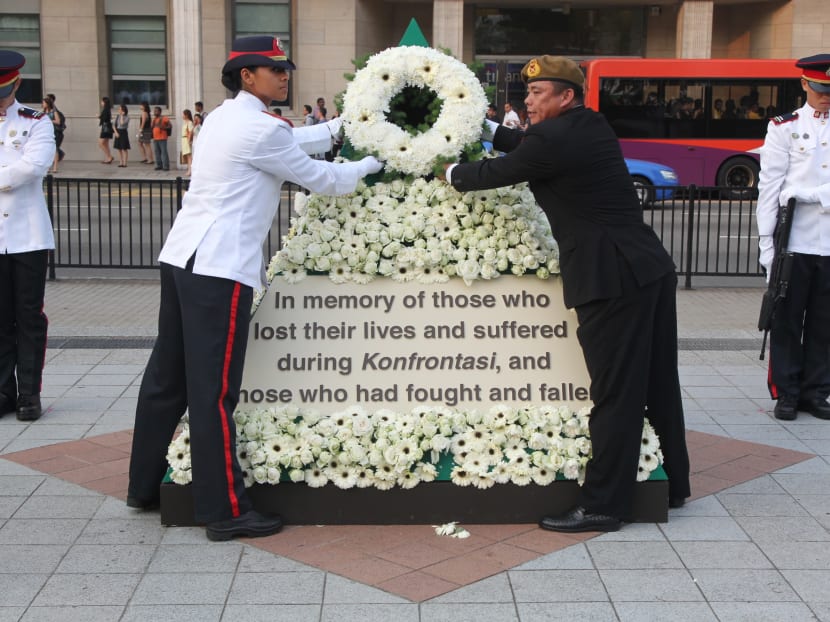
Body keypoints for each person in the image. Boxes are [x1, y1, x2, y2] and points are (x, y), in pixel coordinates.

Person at [126, 35, 383, 541]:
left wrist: (345, 126)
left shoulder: (225, 117)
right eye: (273, 69)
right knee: (214, 392)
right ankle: (224, 512)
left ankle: (142, 487)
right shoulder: (262, 131)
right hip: (219, 269)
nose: (284, 76)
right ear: (247, 75)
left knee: (167, 378)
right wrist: (371, 165)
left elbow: (290, 142)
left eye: (286, 68)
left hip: (183, 259)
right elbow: (320, 178)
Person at [445, 55, 690, 532]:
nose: (528, 101)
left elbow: (497, 172)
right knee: (658, 380)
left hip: (612, 276)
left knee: (615, 393)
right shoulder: (587, 126)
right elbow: (529, 145)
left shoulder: (555, 137)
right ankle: (673, 484)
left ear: (566, 97)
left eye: (539, 94)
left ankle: (605, 505)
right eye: (528, 93)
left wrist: (450, 170)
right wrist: (490, 131)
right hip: (645, 267)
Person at [756, 54, 830, 422]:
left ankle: (816, 392)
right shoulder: (784, 127)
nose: (826, 96)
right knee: (786, 320)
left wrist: (815, 195)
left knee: (823, 322)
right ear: (804, 84)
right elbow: (769, 190)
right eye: (820, 89)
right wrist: (766, 249)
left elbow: (801, 191)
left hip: (829, 243)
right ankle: (786, 392)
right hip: (794, 241)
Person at [0, 50, 56, 422]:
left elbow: (33, 167)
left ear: (16, 84)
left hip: (28, 236)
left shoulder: (36, 121)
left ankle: (28, 394)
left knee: (28, 317)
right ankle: (4, 391)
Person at [151, 106, 171, 171]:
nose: (155, 112)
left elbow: (170, 126)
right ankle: (159, 165)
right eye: (154, 111)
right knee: (157, 152)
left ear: (160, 112)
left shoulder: (164, 118)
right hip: (155, 138)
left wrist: (163, 128)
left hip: (162, 137)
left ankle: (166, 166)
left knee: (163, 152)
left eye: (156, 111)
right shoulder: (154, 119)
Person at [113, 103, 130, 167]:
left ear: (123, 110)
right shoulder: (117, 116)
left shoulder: (127, 117)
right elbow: (114, 125)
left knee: (124, 148)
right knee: (119, 148)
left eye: (120, 109)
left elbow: (122, 123)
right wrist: (116, 132)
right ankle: (121, 162)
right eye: (119, 109)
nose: (119, 110)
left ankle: (125, 163)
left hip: (123, 132)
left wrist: (122, 116)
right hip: (118, 131)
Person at [98, 96, 114, 164]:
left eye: (102, 101)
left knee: (101, 143)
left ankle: (109, 156)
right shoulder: (108, 109)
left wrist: (99, 116)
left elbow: (104, 118)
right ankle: (108, 157)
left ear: (104, 102)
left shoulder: (105, 110)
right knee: (106, 144)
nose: (101, 103)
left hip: (106, 128)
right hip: (108, 127)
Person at [180, 108, 194, 176]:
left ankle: (190, 170)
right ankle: (189, 169)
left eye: (183, 114)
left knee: (189, 156)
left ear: (186, 115)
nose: (182, 116)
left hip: (186, 139)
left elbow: (191, 132)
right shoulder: (185, 122)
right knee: (187, 156)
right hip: (184, 140)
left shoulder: (189, 122)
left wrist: (189, 140)